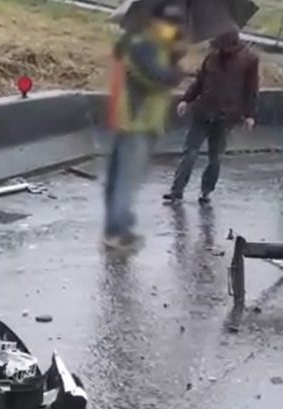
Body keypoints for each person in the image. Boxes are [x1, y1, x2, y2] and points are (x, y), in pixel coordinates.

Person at [104, 1, 186, 249]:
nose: (171, 27)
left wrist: (173, 54)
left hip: (138, 121)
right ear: (154, 22)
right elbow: (156, 79)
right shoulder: (145, 46)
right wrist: (176, 70)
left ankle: (116, 228)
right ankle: (118, 232)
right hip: (137, 122)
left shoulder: (153, 46)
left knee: (119, 178)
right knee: (126, 181)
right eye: (168, 22)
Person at [163, 30, 258, 204]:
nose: (218, 50)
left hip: (226, 115)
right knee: (190, 152)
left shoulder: (249, 60)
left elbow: (251, 90)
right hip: (203, 110)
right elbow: (199, 82)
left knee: (215, 157)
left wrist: (249, 114)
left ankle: (206, 191)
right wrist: (186, 99)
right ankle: (177, 191)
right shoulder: (212, 57)